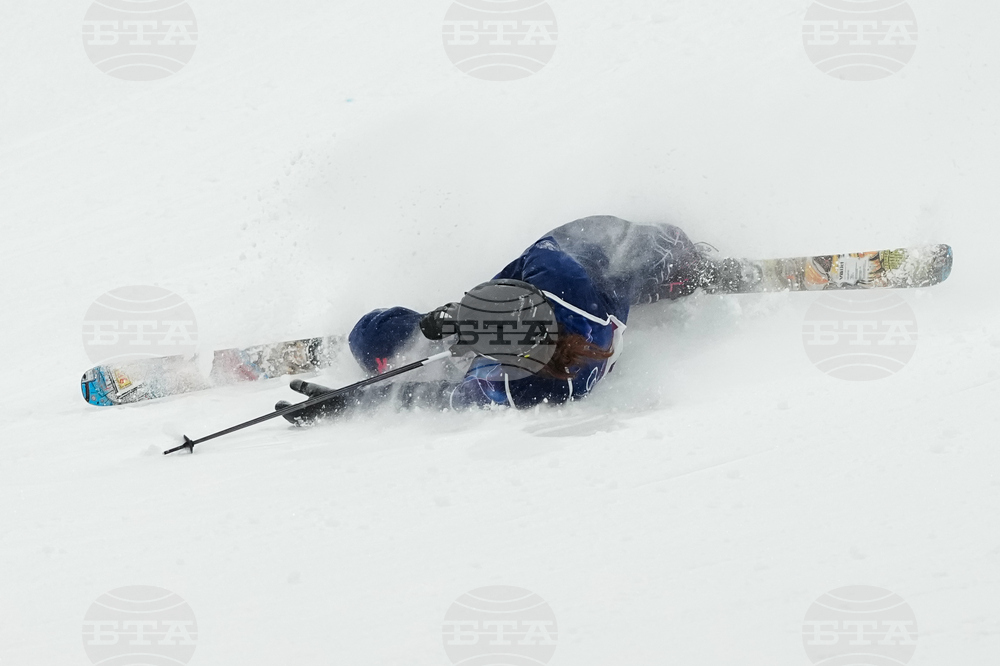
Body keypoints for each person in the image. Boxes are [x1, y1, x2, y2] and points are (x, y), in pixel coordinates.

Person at [278, 215, 748, 423]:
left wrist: (348, 405)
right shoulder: (548, 289)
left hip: (595, 264)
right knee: (372, 338)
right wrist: (440, 323)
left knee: (647, 255)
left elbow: (433, 399)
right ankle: (677, 266)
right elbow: (441, 393)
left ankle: (684, 269)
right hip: (564, 281)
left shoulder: (527, 383)